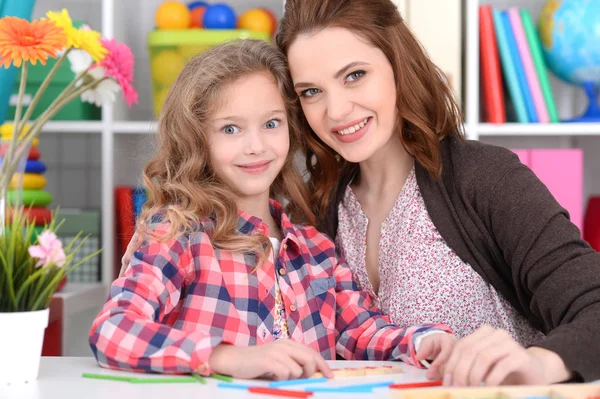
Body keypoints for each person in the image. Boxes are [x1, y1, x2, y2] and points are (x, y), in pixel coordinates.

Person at [273, 0, 600, 386]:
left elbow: (592, 303)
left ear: (398, 66)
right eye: (311, 91)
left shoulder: (484, 177)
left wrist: (540, 366)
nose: (336, 110)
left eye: (355, 75)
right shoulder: (315, 211)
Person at [90, 39, 455, 381]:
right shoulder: (178, 234)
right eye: (230, 128)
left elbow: (362, 331)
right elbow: (113, 330)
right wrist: (227, 358)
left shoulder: (317, 250)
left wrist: (423, 342)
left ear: (291, 129)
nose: (256, 146)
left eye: (271, 124)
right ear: (197, 138)